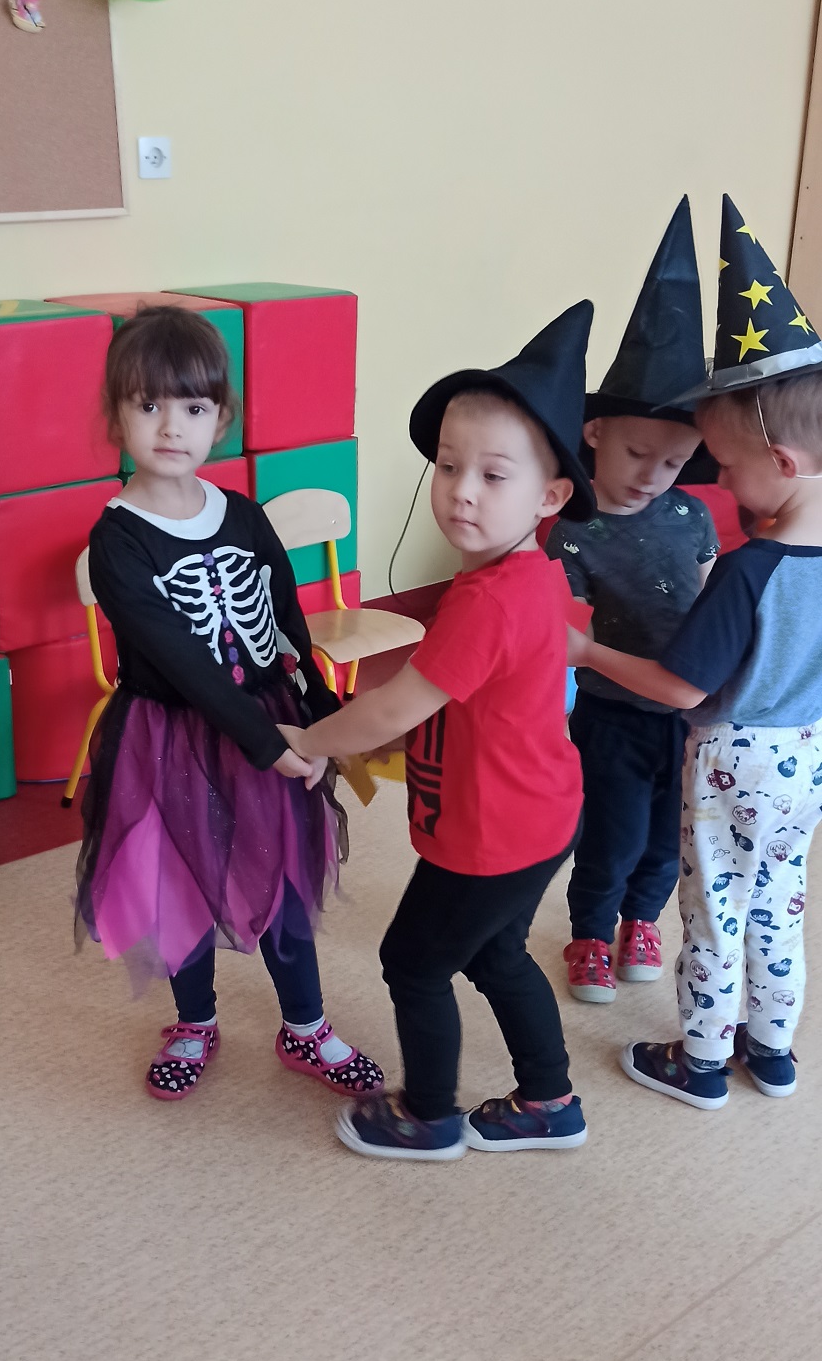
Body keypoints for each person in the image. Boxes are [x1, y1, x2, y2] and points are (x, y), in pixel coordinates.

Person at [281, 304, 595, 1160]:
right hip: (540, 816)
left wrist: (309, 741)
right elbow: (464, 705)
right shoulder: (531, 578)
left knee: (414, 963)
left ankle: (427, 1116)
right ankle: (550, 1102)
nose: (461, 489)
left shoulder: (486, 602)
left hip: (490, 835)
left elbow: (395, 706)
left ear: (550, 496)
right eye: (449, 466)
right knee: (496, 955)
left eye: (494, 475)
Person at [75, 306, 383, 1103]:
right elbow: (180, 662)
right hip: (170, 734)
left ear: (222, 417)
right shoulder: (118, 540)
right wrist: (266, 741)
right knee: (179, 880)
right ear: (115, 417)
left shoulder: (244, 515)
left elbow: (284, 620)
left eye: (192, 407)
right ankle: (195, 1021)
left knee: (280, 875)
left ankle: (305, 1026)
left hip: (271, 717)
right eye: (147, 405)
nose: (169, 426)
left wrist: (321, 716)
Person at [568, 194, 822, 1107]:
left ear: (783, 466)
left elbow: (680, 687)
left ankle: (703, 1061)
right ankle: (774, 1052)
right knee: (780, 904)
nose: (722, 484)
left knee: (714, 907)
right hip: (806, 758)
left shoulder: (753, 568)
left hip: (732, 756)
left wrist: (586, 653)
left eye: (728, 466)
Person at [545, 198, 718, 1002]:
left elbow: (710, 597)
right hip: (612, 714)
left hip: (684, 713)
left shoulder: (691, 516)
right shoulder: (573, 530)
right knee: (611, 835)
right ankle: (589, 932)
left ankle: (640, 921)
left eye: (674, 462)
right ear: (595, 434)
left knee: (663, 837)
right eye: (639, 452)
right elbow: (563, 636)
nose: (654, 475)